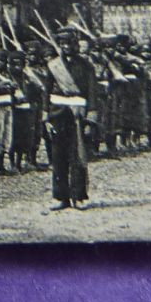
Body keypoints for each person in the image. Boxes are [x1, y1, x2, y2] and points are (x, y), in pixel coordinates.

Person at [45, 28, 95, 210]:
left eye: (69, 43)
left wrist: (90, 119)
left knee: (77, 156)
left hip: (78, 115)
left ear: (75, 44)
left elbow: (93, 93)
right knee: (58, 156)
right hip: (58, 113)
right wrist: (46, 115)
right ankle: (60, 197)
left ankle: (78, 196)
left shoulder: (86, 66)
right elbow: (47, 90)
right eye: (62, 44)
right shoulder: (53, 65)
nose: (66, 47)